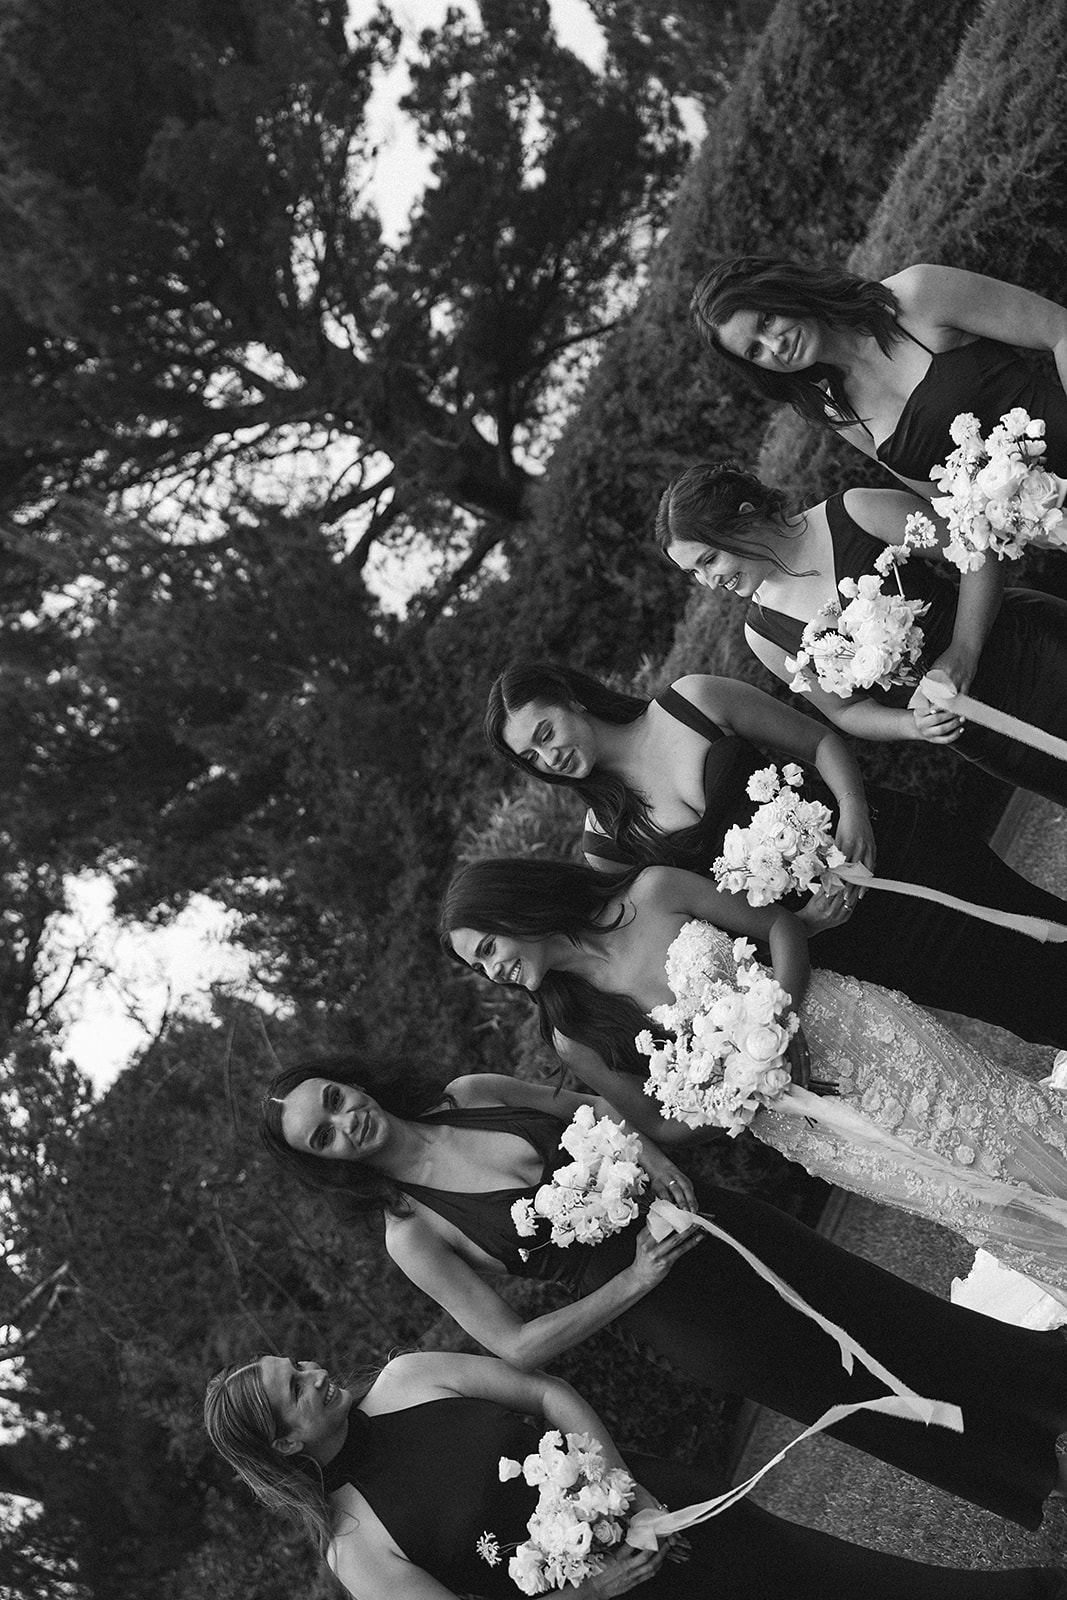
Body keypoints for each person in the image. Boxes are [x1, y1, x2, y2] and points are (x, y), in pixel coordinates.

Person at [263, 1051, 1067, 1529]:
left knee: (887, 1311)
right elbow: (515, 1345)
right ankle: (1031, 1475)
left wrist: (655, 1160)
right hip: (679, 1312)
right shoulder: (411, 1231)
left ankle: (1050, 1388)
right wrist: (636, 1280)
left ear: (349, 1079)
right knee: (847, 1386)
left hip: (714, 1221)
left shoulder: (469, 1094)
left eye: (333, 1098)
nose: (345, 1122)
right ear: (324, 1163)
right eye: (323, 1135)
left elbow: (583, 1108)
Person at [442, 856, 1067, 1298]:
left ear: (514, 906)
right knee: (960, 1198)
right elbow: (663, 1124)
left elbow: (781, 927)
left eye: (488, 949)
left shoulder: (654, 892)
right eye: (478, 967)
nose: (492, 972)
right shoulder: (571, 1031)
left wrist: (782, 1026)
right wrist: (734, 1093)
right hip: (799, 1121)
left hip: (853, 1031)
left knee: (999, 1121)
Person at [484, 660, 1067, 1050]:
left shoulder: (692, 701)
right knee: (1016, 1003)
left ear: (566, 698)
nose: (549, 756)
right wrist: (799, 928)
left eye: (544, 733)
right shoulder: (607, 844)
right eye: (532, 760)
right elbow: (700, 930)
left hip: (898, 846)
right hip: (855, 935)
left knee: (1035, 919)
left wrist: (853, 809)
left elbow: (819, 740)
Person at [204, 1347, 1067, 1599]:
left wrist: (627, 1488)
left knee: (852, 1580)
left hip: (671, 1504)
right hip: (625, 1598)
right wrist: (594, 1588)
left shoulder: (408, 1377)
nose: (317, 1372)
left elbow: (545, 1391)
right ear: (285, 1445)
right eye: (296, 1388)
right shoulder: (356, 1549)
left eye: (299, 1363)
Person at [656, 461, 1067, 809]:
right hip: (985, 735)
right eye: (694, 573)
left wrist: (963, 650)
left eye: (709, 559)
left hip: (1031, 650)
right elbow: (846, 711)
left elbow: (975, 550)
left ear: (746, 516)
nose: (709, 582)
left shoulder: (855, 512)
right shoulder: (763, 634)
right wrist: (913, 725)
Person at [689, 255, 1067, 497]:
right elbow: (957, 508)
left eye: (766, 319)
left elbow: (1059, 330)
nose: (774, 346)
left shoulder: (915, 295)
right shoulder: (840, 415)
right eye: (754, 351)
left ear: (782, 289)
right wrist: (1034, 529)